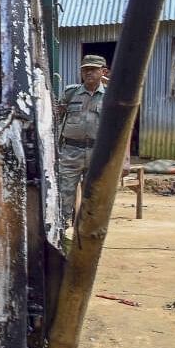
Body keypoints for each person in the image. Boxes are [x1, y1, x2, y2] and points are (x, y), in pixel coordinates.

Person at [57, 54, 109, 226]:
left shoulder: (110, 95)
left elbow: (121, 128)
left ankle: (87, 232)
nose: (88, 73)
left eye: (93, 69)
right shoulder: (70, 93)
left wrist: (123, 159)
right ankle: (62, 230)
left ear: (103, 71)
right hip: (70, 152)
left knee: (94, 194)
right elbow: (56, 120)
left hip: (98, 153)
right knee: (64, 192)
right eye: (85, 69)